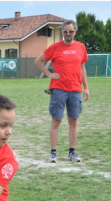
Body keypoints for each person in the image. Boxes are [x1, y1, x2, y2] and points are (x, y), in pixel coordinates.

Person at [34, 19, 90, 163]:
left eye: (70, 31)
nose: (68, 34)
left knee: (73, 121)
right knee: (56, 121)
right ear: (62, 33)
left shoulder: (81, 47)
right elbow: (38, 61)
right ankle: (53, 152)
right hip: (59, 90)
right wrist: (49, 74)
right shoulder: (54, 47)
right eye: (65, 31)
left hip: (76, 90)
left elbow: (82, 69)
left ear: (75, 32)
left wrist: (86, 88)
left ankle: (72, 152)